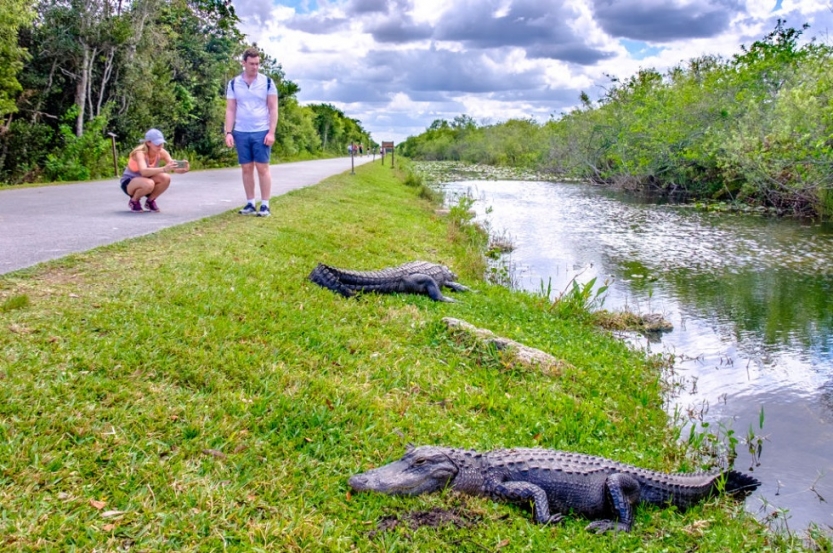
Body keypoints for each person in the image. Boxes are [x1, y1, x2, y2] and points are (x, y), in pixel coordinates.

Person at [224, 46, 278, 217]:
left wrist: (271, 132)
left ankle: (265, 204)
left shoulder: (267, 82)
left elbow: (273, 108)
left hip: (261, 130)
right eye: (252, 63)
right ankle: (250, 203)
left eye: (257, 64)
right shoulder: (234, 83)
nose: (255, 67)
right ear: (244, 63)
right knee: (246, 168)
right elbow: (231, 109)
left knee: (262, 167)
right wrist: (228, 132)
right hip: (241, 131)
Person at [119, 128, 189, 213]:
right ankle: (134, 201)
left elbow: (173, 167)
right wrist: (164, 168)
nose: (160, 146)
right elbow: (144, 172)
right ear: (148, 143)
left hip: (147, 181)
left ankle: (150, 201)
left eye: (161, 143)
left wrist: (182, 170)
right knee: (149, 183)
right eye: (157, 143)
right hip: (129, 182)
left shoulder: (162, 152)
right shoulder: (140, 153)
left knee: (165, 178)